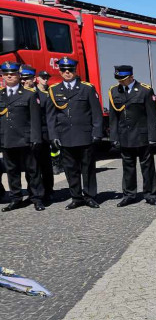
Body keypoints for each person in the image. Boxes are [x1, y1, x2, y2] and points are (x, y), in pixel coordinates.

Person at [45, 57, 102, 209]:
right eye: (64, 70)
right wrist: (53, 136)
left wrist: (97, 133)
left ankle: (90, 196)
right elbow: (51, 117)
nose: (67, 73)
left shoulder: (87, 88)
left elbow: (96, 113)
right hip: (65, 136)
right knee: (71, 169)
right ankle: (76, 197)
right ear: (60, 71)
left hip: (85, 134)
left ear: (75, 71)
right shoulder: (54, 90)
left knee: (88, 168)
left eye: (70, 70)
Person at [108, 65, 156, 206]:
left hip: (142, 134)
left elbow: (151, 116)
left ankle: (150, 194)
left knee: (147, 166)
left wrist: (153, 137)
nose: (120, 82)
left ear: (131, 77)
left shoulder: (145, 90)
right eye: (118, 79)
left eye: (122, 79)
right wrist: (114, 137)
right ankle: (129, 194)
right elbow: (113, 117)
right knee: (128, 167)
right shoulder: (114, 91)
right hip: (125, 135)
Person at [0, 61, 44, 212]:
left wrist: (36, 138)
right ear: (2, 76)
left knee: (33, 171)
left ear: (19, 75)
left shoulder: (29, 94)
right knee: (12, 171)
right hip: (7, 138)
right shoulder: (1, 95)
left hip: (26, 139)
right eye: (6, 74)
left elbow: (35, 119)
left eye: (12, 74)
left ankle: (36, 198)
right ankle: (16, 198)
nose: (9, 76)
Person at [20, 66, 55, 202]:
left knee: (45, 165)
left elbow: (49, 117)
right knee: (31, 167)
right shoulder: (19, 94)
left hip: (42, 135)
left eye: (27, 79)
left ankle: (48, 191)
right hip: (26, 136)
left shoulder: (43, 95)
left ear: (34, 79)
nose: (24, 81)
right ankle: (33, 192)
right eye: (22, 79)